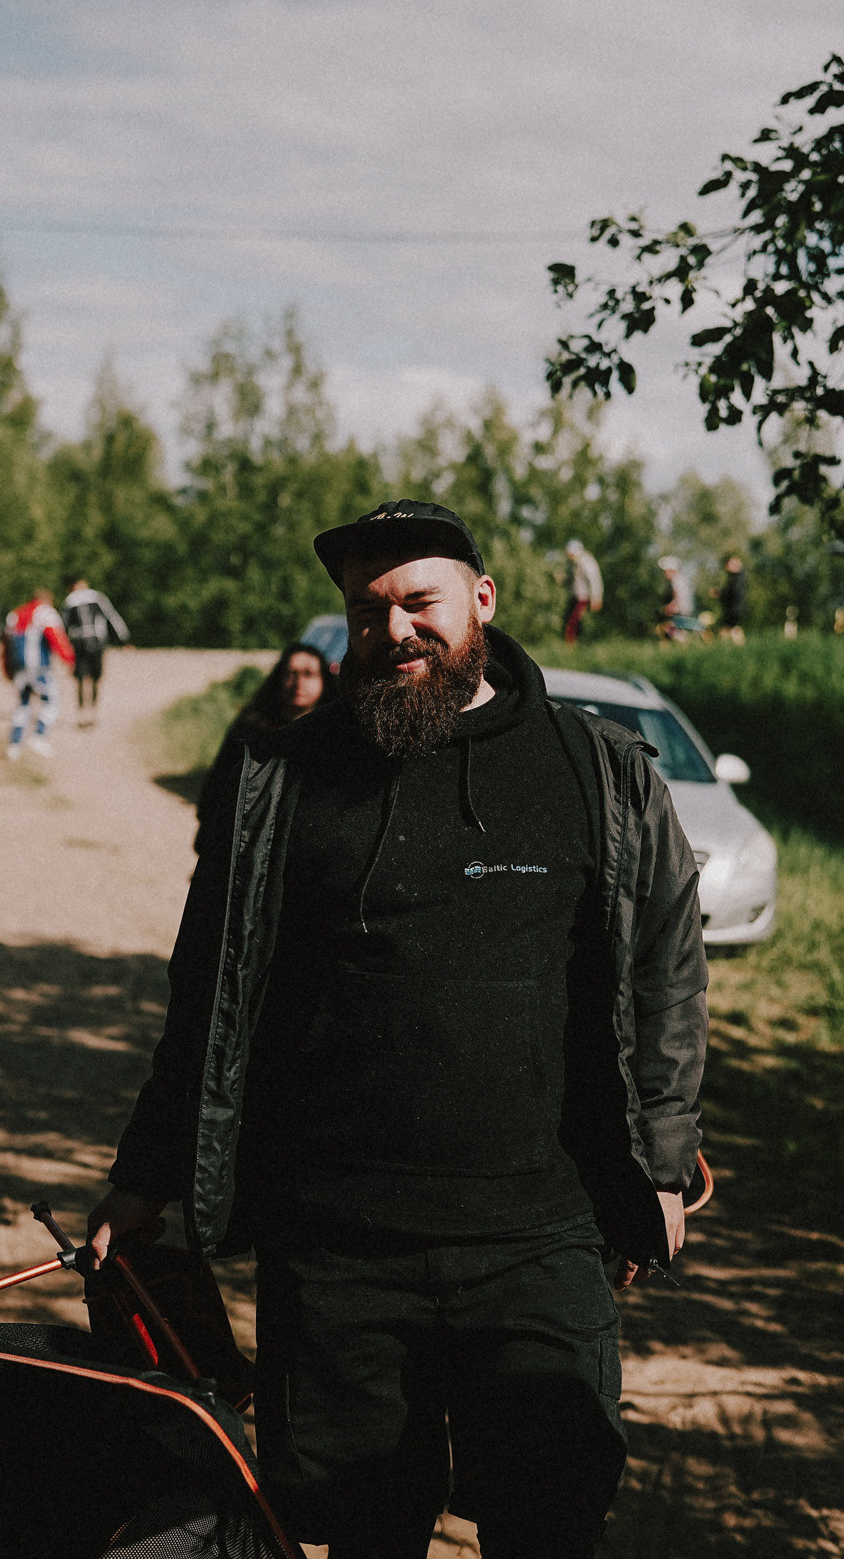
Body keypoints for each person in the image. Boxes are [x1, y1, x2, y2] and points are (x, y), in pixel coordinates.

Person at [87, 498, 707, 1558]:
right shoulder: (279, 779)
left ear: (482, 600)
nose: (395, 630)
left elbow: (664, 971)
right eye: (367, 612)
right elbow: (209, 997)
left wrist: (657, 1157)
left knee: (549, 1514)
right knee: (364, 1529)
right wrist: (143, 1173)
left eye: (419, 602)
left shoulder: (595, 771)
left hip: (540, 1240)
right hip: (336, 1250)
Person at [194, 641, 330, 846]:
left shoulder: (332, 736)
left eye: (308, 674)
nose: (298, 682)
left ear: (323, 681)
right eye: (290, 673)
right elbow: (219, 782)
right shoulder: (252, 728)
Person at [4, 586, 75, 760]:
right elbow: (56, 636)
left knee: (23, 704)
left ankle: (14, 746)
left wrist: (8, 670)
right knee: (51, 701)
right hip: (39, 668)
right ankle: (39, 737)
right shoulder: (45, 613)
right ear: (48, 600)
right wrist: (69, 659)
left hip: (19, 669)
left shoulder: (15, 615)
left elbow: (5, 646)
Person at [62, 577, 132, 727]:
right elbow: (113, 617)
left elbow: (63, 625)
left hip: (79, 643)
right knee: (95, 678)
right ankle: (92, 714)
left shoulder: (70, 600)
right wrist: (125, 638)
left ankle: (82, 715)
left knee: (81, 679)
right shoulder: (96, 597)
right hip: (96, 642)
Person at [563, 537, 604, 644]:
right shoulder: (572, 563)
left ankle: (572, 644)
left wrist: (596, 598)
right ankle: (576, 644)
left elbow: (594, 580)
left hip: (584, 597)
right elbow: (571, 580)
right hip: (575, 596)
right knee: (573, 621)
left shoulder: (586, 562)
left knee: (573, 622)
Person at [717, 555, 748, 645]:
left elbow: (733, 593)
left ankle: (726, 647)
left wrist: (720, 593)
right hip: (736, 608)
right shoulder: (738, 577)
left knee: (728, 629)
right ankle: (732, 647)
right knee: (732, 629)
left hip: (734, 609)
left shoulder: (737, 578)